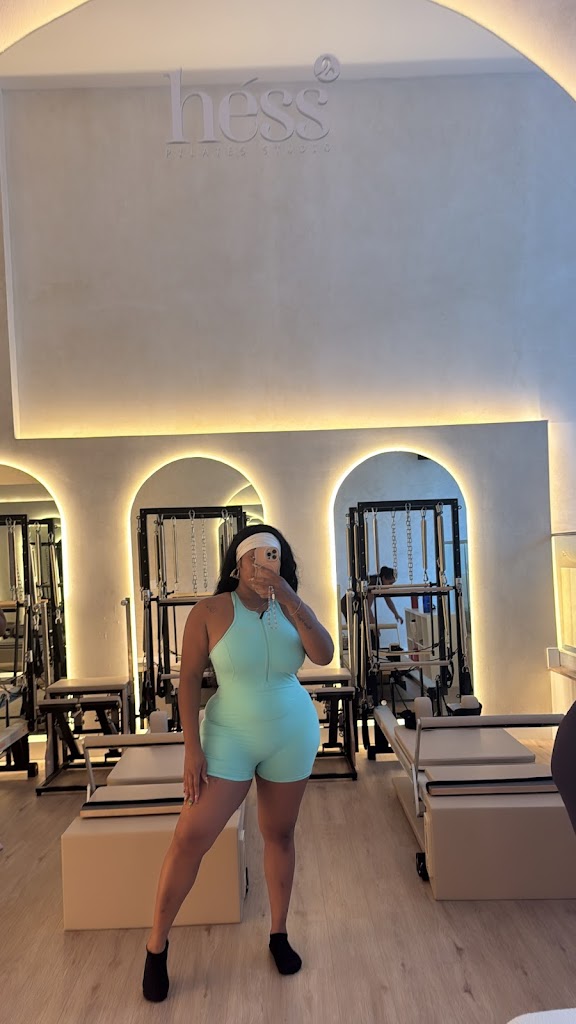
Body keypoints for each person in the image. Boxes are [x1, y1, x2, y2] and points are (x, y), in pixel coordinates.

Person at [143, 524, 334, 1002]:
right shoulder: (208, 611)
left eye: (274, 554)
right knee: (190, 837)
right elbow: (189, 679)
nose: (264, 562)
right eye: (256, 554)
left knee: (280, 834)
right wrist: (191, 747)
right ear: (238, 562)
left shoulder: (292, 606)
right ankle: (156, 945)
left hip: (291, 733)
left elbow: (323, 654)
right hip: (228, 736)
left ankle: (279, 933)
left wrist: (289, 597)